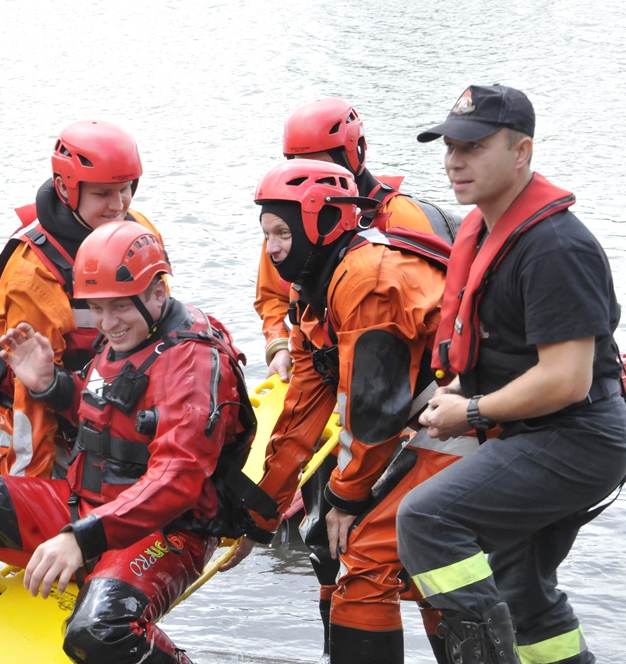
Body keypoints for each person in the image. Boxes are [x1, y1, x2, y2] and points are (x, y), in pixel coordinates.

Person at [0, 221, 274, 664]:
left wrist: (81, 539)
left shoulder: (193, 362)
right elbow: (104, 412)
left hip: (165, 530)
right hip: (84, 506)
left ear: (157, 292)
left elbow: (177, 480)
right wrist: (51, 386)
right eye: (97, 309)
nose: (107, 323)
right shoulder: (130, 333)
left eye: (119, 307)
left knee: (100, 632)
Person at [397, 84, 626, 664]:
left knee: (426, 518)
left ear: (521, 152)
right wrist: (458, 388)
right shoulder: (489, 230)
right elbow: (507, 352)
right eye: (449, 145)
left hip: (580, 438)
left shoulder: (554, 247)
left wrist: (470, 411)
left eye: (473, 146)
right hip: (544, 432)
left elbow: (568, 379)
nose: (455, 160)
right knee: (522, 590)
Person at [222, 159, 477, 664]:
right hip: (425, 421)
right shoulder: (312, 295)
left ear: (322, 223)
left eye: (280, 234)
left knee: (366, 560)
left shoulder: (367, 279)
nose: (271, 250)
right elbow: (298, 420)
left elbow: (373, 412)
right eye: (266, 234)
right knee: (405, 561)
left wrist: (346, 497)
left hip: (467, 413)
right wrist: (258, 519)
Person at [0, 119, 164, 479]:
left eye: (125, 190)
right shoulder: (33, 274)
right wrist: (30, 493)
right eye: (102, 195)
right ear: (65, 189)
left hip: (125, 410)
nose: (117, 205)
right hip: (56, 429)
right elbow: (30, 396)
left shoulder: (140, 233)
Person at [255, 97, 458, 382]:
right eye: (298, 164)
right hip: (324, 363)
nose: (310, 175)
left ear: (353, 153)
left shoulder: (402, 216)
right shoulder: (288, 224)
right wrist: (278, 346)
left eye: (318, 161)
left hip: (398, 373)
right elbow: (273, 296)